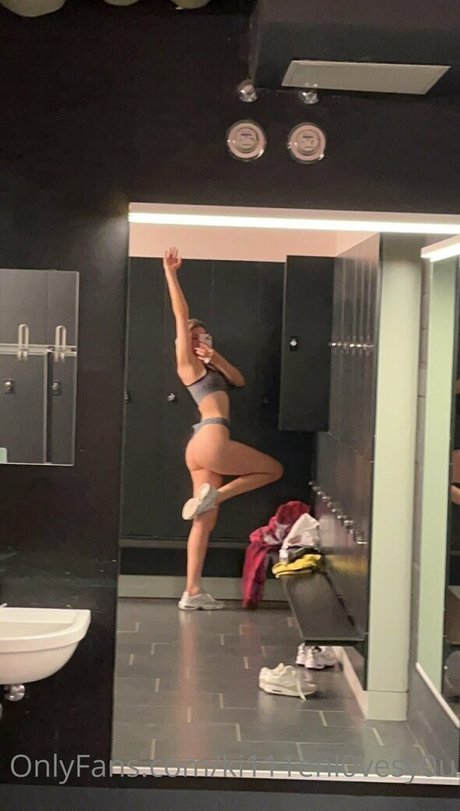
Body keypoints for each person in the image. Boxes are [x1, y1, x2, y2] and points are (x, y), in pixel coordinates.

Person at [162, 247, 283, 610]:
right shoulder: (188, 366)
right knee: (273, 469)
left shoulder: (211, 366)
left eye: (205, 336)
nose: (201, 340)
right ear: (184, 342)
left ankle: (192, 591)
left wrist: (215, 356)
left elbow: (240, 380)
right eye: (194, 337)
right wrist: (171, 274)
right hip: (212, 436)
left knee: (203, 520)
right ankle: (217, 496)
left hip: (200, 443)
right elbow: (180, 313)